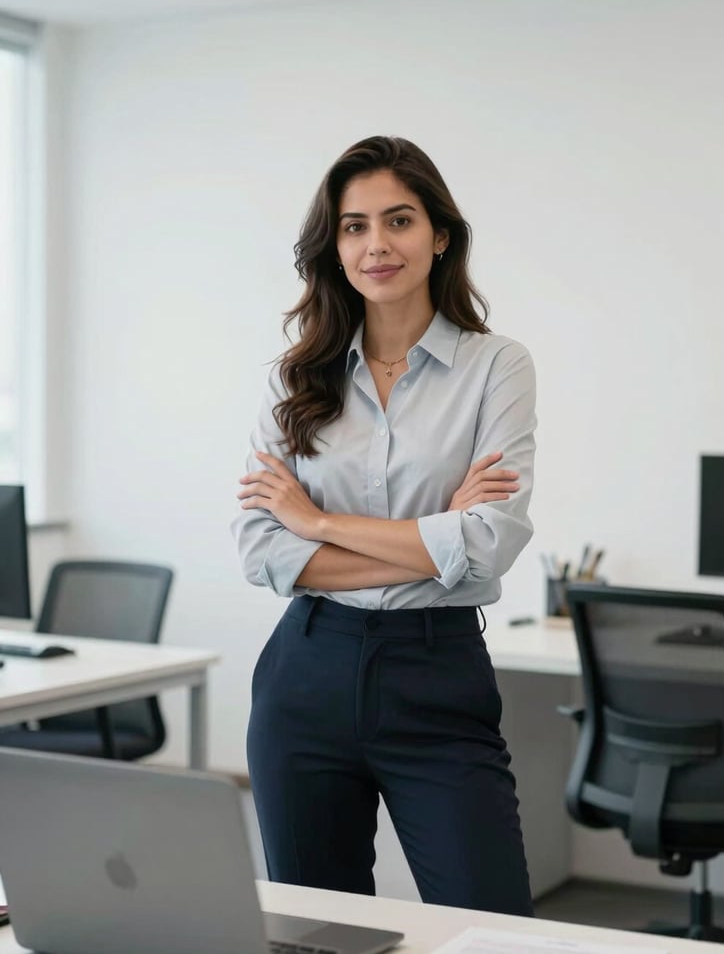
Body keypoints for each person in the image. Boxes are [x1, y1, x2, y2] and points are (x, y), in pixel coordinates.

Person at [232, 135, 536, 916]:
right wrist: (435, 541)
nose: (376, 244)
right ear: (334, 248)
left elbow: (489, 543)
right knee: (316, 931)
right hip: (306, 673)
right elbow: (266, 553)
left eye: (398, 220)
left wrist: (318, 521)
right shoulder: (292, 380)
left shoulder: (496, 368)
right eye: (354, 226)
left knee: (491, 928)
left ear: (439, 235)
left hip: (436, 675)